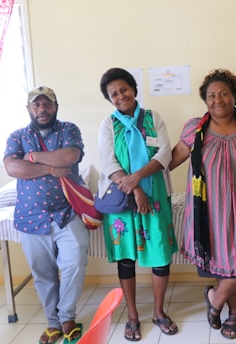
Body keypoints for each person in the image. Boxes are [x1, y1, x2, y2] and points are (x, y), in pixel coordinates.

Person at [170, 68, 236, 340]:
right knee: (224, 264)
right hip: (210, 211)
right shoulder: (195, 127)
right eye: (211, 95)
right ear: (205, 99)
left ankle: (215, 299)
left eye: (224, 93)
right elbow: (173, 158)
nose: (218, 100)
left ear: (234, 96)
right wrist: (142, 176)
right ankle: (235, 313)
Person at [97, 68, 178, 341]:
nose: (120, 96)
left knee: (160, 254)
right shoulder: (108, 124)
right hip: (123, 200)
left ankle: (158, 311)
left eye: (124, 89)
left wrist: (139, 179)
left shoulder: (154, 118)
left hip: (155, 195)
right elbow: (109, 163)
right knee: (126, 257)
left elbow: (165, 152)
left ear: (134, 89)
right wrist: (134, 191)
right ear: (110, 99)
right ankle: (132, 315)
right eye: (114, 94)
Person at [3, 86, 89, 344]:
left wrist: (33, 158)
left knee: (75, 263)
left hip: (67, 213)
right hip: (31, 217)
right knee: (43, 273)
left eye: (47, 104)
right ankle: (53, 322)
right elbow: (12, 167)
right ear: (29, 108)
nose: (42, 109)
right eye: (36, 105)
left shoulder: (68, 130)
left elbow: (70, 156)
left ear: (55, 106)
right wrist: (51, 170)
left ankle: (67, 316)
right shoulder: (17, 136)